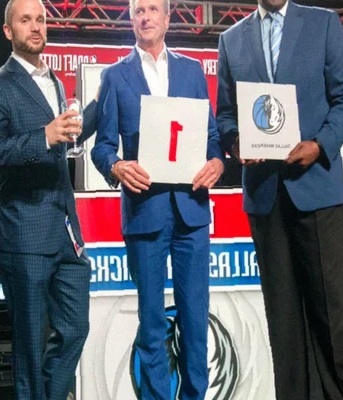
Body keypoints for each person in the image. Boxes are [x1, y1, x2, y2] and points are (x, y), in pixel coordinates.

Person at [215, 0, 343, 399]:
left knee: (332, 317)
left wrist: (320, 144)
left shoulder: (323, 23)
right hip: (264, 195)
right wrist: (235, 143)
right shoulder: (231, 39)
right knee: (282, 323)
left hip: (315, 188)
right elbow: (225, 115)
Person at [90, 0, 224, 398]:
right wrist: (116, 166)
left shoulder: (192, 71)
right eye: (138, 11)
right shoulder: (115, 76)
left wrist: (217, 162)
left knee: (195, 321)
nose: (145, 17)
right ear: (131, 20)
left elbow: (211, 136)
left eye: (152, 9)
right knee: (151, 324)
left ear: (168, 18)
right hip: (144, 214)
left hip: (191, 213)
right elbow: (102, 147)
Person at [0, 0, 94, 398]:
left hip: (65, 231)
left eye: (40, 19)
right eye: (25, 20)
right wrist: (43, 136)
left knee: (75, 328)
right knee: (27, 347)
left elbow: (62, 140)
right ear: (9, 31)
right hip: (23, 231)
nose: (36, 27)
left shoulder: (55, 82)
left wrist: (87, 117)